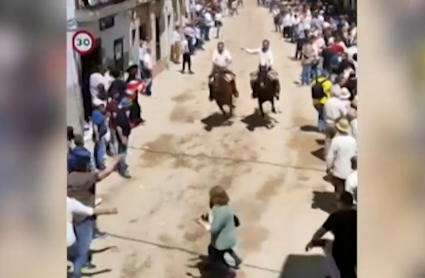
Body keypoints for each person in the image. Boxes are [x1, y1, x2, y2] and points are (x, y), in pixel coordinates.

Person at [67, 154, 122, 278]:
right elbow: (104, 173)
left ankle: (83, 264)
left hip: (70, 217)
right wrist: (116, 162)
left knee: (75, 245)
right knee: (83, 248)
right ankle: (77, 272)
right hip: (84, 218)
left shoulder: (67, 178)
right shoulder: (87, 177)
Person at [305, 192, 357, 278]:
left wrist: (313, 242)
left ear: (340, 203)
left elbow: (320, 232)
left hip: (340, 252)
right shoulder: (357, 215)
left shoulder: (335, 216)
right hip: (355, 252)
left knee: (326, 244)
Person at [67, 197, 118, 278]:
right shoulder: (69, 203)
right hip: (68, 242)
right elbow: (91, 211)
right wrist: (109, 211)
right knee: (80, 257)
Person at [197, 186, 238, 277]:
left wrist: (202, 222)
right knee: (212, 250)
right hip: (226, 238)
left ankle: (225, 274)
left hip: (223, 241)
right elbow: (215, 219)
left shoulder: (221, 211)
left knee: (218, 258)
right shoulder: (222, 207)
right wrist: (207, 218)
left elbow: (213, 229)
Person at [326, 118, 357, 196]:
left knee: (339, 190)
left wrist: (328, 167)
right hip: (350, 170)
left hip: (338, 170)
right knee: (349, 191)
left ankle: (339, 204)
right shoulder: (353, 141)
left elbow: (330, 157)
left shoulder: (336, 140)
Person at [114, 98, 132, 179]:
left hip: (124, 135)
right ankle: (122, 170)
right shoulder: (121, 115)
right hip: (122, 137)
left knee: (122, 152)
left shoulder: (122, 112)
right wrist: (122, 138)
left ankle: (121, 165)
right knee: (122, 153)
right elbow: (118, 128)